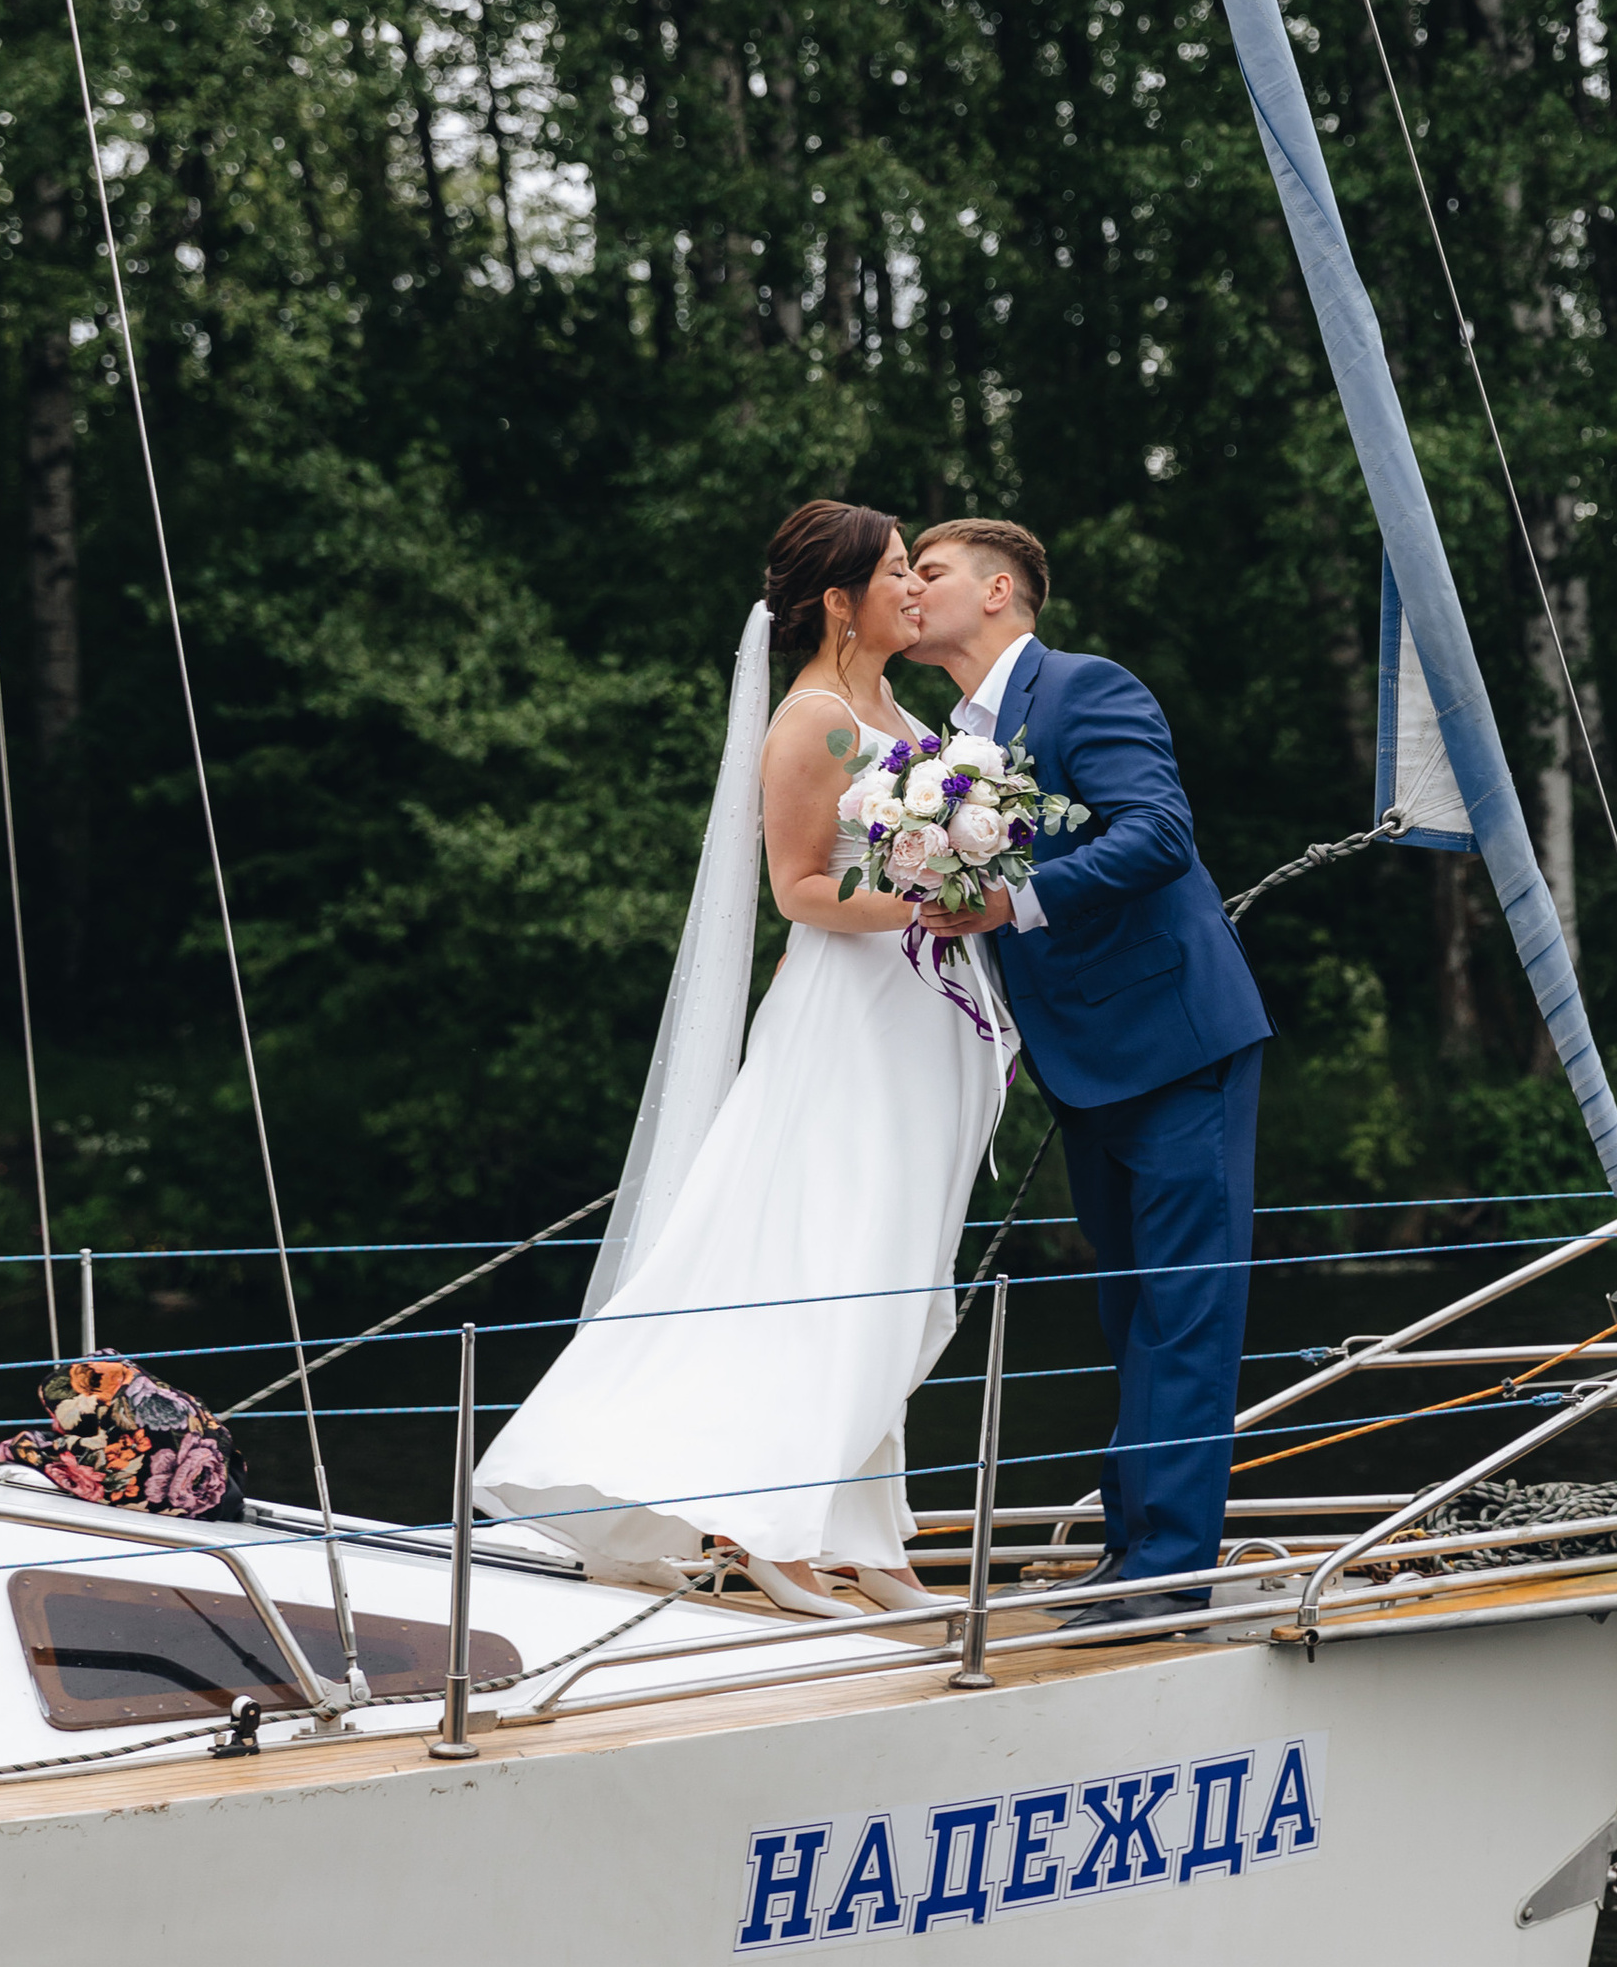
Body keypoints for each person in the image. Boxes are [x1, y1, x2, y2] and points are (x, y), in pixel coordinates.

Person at [476, 502, 1014, 1618]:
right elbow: (801, 891)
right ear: (840, 600)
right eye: (899, 574)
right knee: (831, 1267)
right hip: (852, 1019)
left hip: (919, 1016)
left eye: (922, 571)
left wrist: (958, 884)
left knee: (893, 1274)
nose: (916, 589)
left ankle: (870, 1541)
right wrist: (936, 902)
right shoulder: (813, 723)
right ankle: (768, 1526)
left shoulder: (900, 712)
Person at [905, 519, 1272, 1627]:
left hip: (1175, 1044)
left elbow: (1159, 832)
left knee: (1182, 1315)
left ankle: (1166, 1576)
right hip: (1083, 1063)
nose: (912, 591)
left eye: (930, 574)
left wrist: (1011, 899)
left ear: (1000, 590)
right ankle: (1131, 1557)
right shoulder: (946, 741)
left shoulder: (1082, 689)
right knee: (1131, 1318)